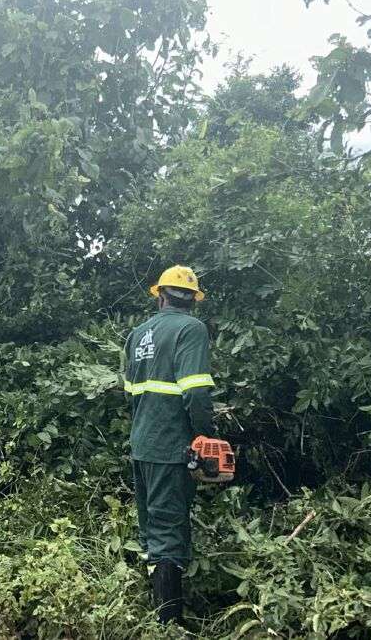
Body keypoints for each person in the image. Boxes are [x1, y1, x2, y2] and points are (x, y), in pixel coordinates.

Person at [122, 265, 218, 625]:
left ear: (160, 295)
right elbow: (195, 389)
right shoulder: (192, 329)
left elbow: (132, 395)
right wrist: (204, 433)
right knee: (168, 533)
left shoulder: (137, 334)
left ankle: (157, 614)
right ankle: (169, 625)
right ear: (193, 299)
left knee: (150, 529)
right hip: (171, 447)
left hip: (142, 443)